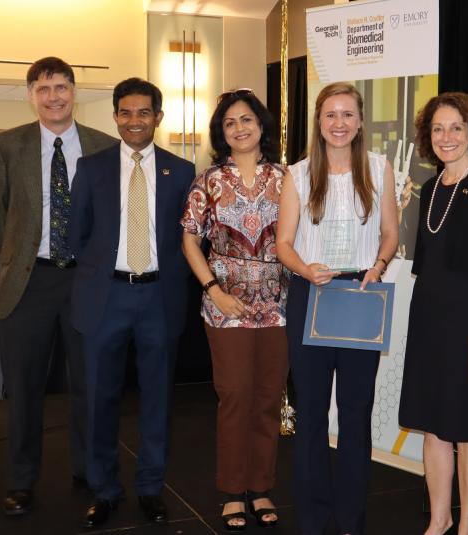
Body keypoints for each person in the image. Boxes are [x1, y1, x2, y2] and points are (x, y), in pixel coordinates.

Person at [0, 56, 117, 516]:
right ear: (31, 95)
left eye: (61, 86)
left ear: (74, 91)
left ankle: (91, 471)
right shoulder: (6, 145)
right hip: (29, 283)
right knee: (25, 386)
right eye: (43, 88)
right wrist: (22, 253)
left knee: (91, 385)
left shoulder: (104, 146)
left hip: (87, 283)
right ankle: (20, 481)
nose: (53, 96)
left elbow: (111, 217)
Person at [69, 78, 194, 528]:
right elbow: (77, 235)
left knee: (158, 399)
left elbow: (188, 239)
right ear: (116, 116)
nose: (134, 120)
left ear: (158, 117)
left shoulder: (181, 171)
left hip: (160, 297)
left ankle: (150, 488)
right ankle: (103, 489)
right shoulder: (92, 167)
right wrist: (103, 274)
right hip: (106, 299)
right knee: (100, 399)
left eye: (144, 112)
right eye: (126, 112)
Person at [276, 82, 398, 535]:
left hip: (361, 296)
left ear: (360, 121)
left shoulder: (380, 169)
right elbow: (283, 243)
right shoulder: (298, 174)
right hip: (312, 295)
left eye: (348, 114)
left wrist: (380, 265)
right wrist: (305, 270)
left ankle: (350, 519)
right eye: (331, 115)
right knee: (310, 413)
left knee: (355, 413)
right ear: (319, 121)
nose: (339, 123)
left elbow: (390, 233)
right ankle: (311, 518)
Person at [398, 93, 468, 535]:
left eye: (456, 128)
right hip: (429, 324)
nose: (446, 137)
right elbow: (426, 267)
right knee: (433, 426)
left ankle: (467, 525)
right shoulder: (429, 189)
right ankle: (439, 519)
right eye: (438, 129)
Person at [180, 89, 289, 532]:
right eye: (230, 123)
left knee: (267, 399)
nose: (240, 128)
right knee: (234, 397)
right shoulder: (208, 180)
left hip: (278, 305)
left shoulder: (288, 178)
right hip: (225, 306)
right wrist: (214, 289)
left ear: (261, 125)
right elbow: (189, 239)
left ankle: (261, 487)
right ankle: (231, 491)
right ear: (221, 133)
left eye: (247, 120)